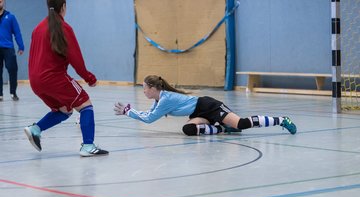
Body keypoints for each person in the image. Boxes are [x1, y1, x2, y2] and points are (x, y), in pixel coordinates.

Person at [24, 0, 108, 157]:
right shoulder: (64, 28)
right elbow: (76, 59)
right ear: (63, 7)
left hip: (35, 80)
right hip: (53, 77)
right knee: (85, 105)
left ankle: (35, 129)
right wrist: (89, 78)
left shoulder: (37, 28)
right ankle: (88, 146)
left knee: (65, 110)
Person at [114, 75, 297, 136]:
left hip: (209, 106)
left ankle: (281, 120)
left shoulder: (165, 99)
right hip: (198, 112)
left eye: (145, 88)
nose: (143, 91)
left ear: (153, 88)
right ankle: (222, 129)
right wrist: (130, 111)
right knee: (188, 129)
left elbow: (149, 119)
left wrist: (128, 111)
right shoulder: (159, 99)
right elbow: (149, 113)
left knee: (241, 124)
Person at [0, 0, 24, 101]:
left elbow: (17, 32)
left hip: (8, 48)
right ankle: (0, 94)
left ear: (3, 2)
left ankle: (13, 92)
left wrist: (21, 46)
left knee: (13, 70)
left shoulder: (10, 17)